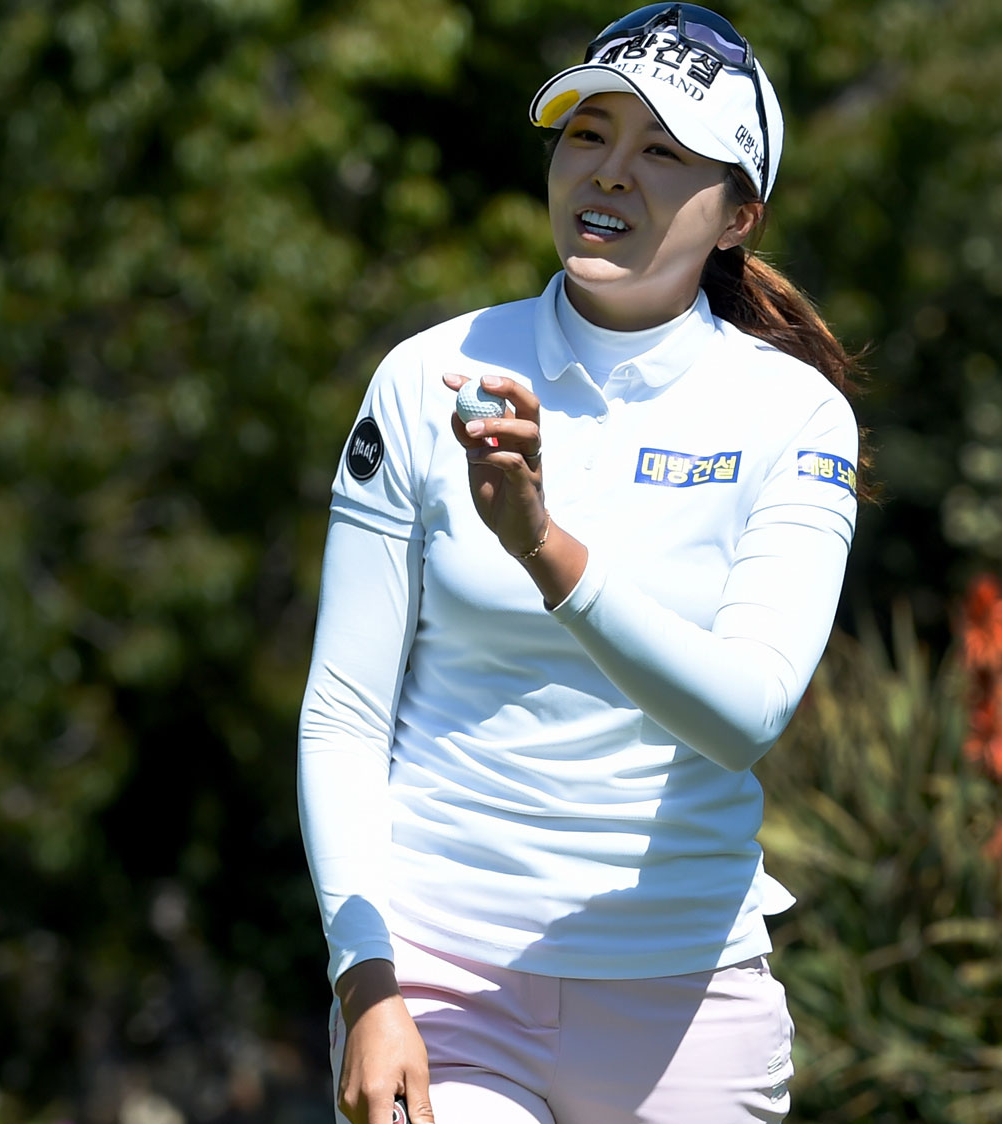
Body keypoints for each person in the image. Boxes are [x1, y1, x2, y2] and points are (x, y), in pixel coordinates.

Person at [297, 5, 865, 1121]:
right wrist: (364, 976)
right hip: (437, 984)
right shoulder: (428, 376)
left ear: (739, 212)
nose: (609, 173)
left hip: (684, 1002)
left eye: (660, 151)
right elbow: (342, 712)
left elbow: (745, 712)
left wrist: (543, 547)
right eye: (587, 135)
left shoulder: (792, 414)